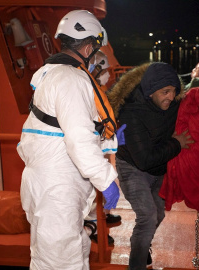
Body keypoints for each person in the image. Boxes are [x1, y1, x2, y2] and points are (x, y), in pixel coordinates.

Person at [17, 10, 121, 270]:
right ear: (87, 46)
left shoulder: (51, 73)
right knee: (63, 261)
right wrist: (106, 179)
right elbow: (77, 139)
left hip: (52, 183)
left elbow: (59, 129)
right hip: (57, 188)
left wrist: (106, 140)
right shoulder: (71, 78)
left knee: (68, 251)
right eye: (96, 50)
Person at [107, 62, 194, 270]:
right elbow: (144, 159)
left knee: (159, 213)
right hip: (133, 168)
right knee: (147, 216)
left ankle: (141, 244)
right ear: (150, 91)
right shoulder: (131, 112)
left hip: (159, 168)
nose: (170, 97)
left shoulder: (173, 104)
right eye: (165, 91)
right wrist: (176, 143)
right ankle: (136, 265)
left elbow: (196, 107)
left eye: (174, 91)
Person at [85, 50, 121, 245]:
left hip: (101, 149)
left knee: (98, 192)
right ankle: (93, 226)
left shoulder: (97, 92)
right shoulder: (88, 94)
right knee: (91, 193)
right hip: (92, 152)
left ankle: (99, 221)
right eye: (105, 70)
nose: (109, 75)